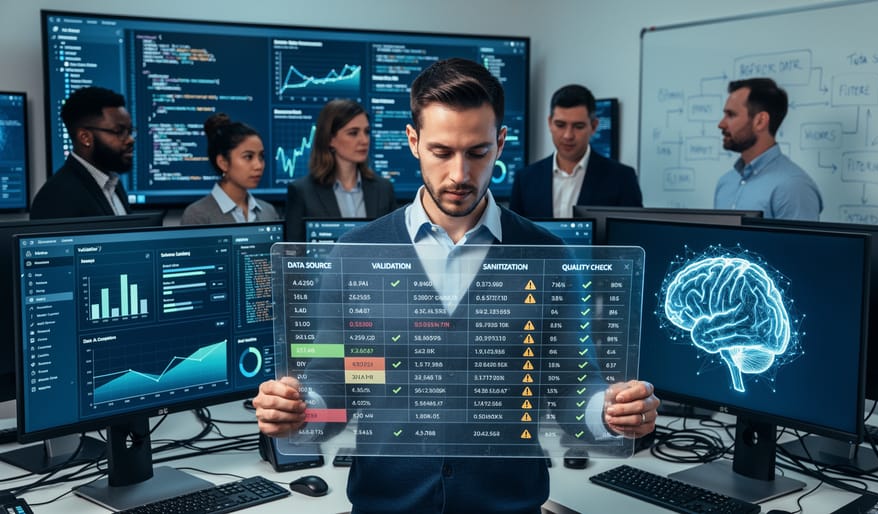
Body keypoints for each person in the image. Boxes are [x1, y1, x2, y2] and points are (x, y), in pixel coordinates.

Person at [254, 58, 660, 514]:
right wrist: (301, 409)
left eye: (478, 152)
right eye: (442, 151)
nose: (460, 175)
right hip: (386, 505)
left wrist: (606, 414)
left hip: (507, 506)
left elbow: (570, 386)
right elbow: (335, 386)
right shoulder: (353, 254)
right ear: (413, 142)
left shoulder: (546, 256)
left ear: (501, 143)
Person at [509, 84, 642, 219]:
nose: (568, 135)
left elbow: (632, 235)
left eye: (578, 126)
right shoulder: (525, 179)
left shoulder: (622, 178)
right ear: (550, 123)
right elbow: (513, 235)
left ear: (594, 126)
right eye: (560, 125)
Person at [283, 99, 397, 241]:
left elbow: (395, 248)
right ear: (330, 139)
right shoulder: (302, 191)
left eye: (366, 132)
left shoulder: (383, 189)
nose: (364, 140)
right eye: (353, 133)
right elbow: (293, 254)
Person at [715, 78, 822, 220]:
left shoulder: (793, 187)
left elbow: (801, 243)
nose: (721, 124)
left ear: (760, 121)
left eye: (731, 115)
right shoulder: (726, 183)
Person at [31, 86, 134, 219]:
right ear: (85, 138)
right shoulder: (57, 196)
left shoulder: (113, 183)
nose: (130, 140)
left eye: (130, 131)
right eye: (119, 131)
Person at [181, 113, 278, 225]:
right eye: (248, 157)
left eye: (261, 157)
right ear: (223, 163)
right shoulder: (197, 215)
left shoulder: (268, 211)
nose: (259, 165)